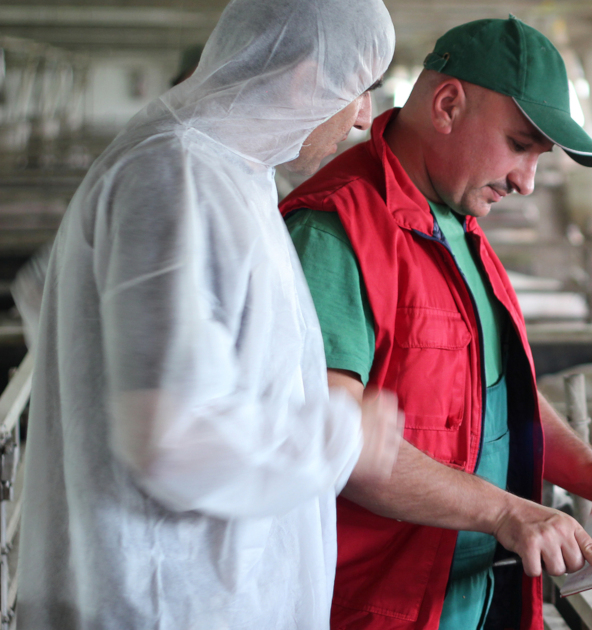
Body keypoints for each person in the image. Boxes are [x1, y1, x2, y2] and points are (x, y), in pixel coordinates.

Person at [279, 16, 592, 630]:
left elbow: (499, 397)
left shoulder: (459, 229)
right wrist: (506, 513)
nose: (526, 181)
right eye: (520, 146)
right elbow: (331, 438)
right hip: (375, 605)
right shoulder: (336, 234)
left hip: (477, 597)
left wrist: (591, 471)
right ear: (447, 105)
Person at [16, 0, 404, 627]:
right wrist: (340, 435)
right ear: (308, 74)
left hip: (212, 589)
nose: (364, 118)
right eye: (361, 90)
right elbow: (170, 438)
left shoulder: (231, 171)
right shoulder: (174, 174)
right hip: (166, 599)